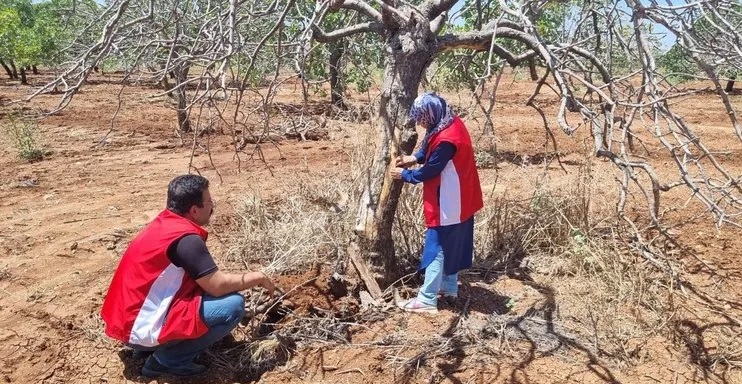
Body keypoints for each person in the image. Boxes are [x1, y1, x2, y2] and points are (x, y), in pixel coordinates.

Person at [101, 174, 275, 377]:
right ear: (194, 210)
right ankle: (167, 360)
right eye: (209, 202)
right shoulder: (186, 240)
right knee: (233, 305)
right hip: (138, 329)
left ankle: (147, 348)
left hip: (127, 324)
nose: (212, 206)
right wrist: (258, 277)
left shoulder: (163, 224)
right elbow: (217, 286)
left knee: (203, 294)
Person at [390, 92, 484, 313]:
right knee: (453, 242)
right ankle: (448, 287)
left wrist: (405, 175)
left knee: (437, 246)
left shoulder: (446, 139)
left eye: (422, 118)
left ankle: (427, 298)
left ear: (431, 115)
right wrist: (414, 157)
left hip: (450, 199)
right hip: (464, 195)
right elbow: (429, 146)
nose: (421, 123)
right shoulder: (450, 121)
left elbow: (431, 170)